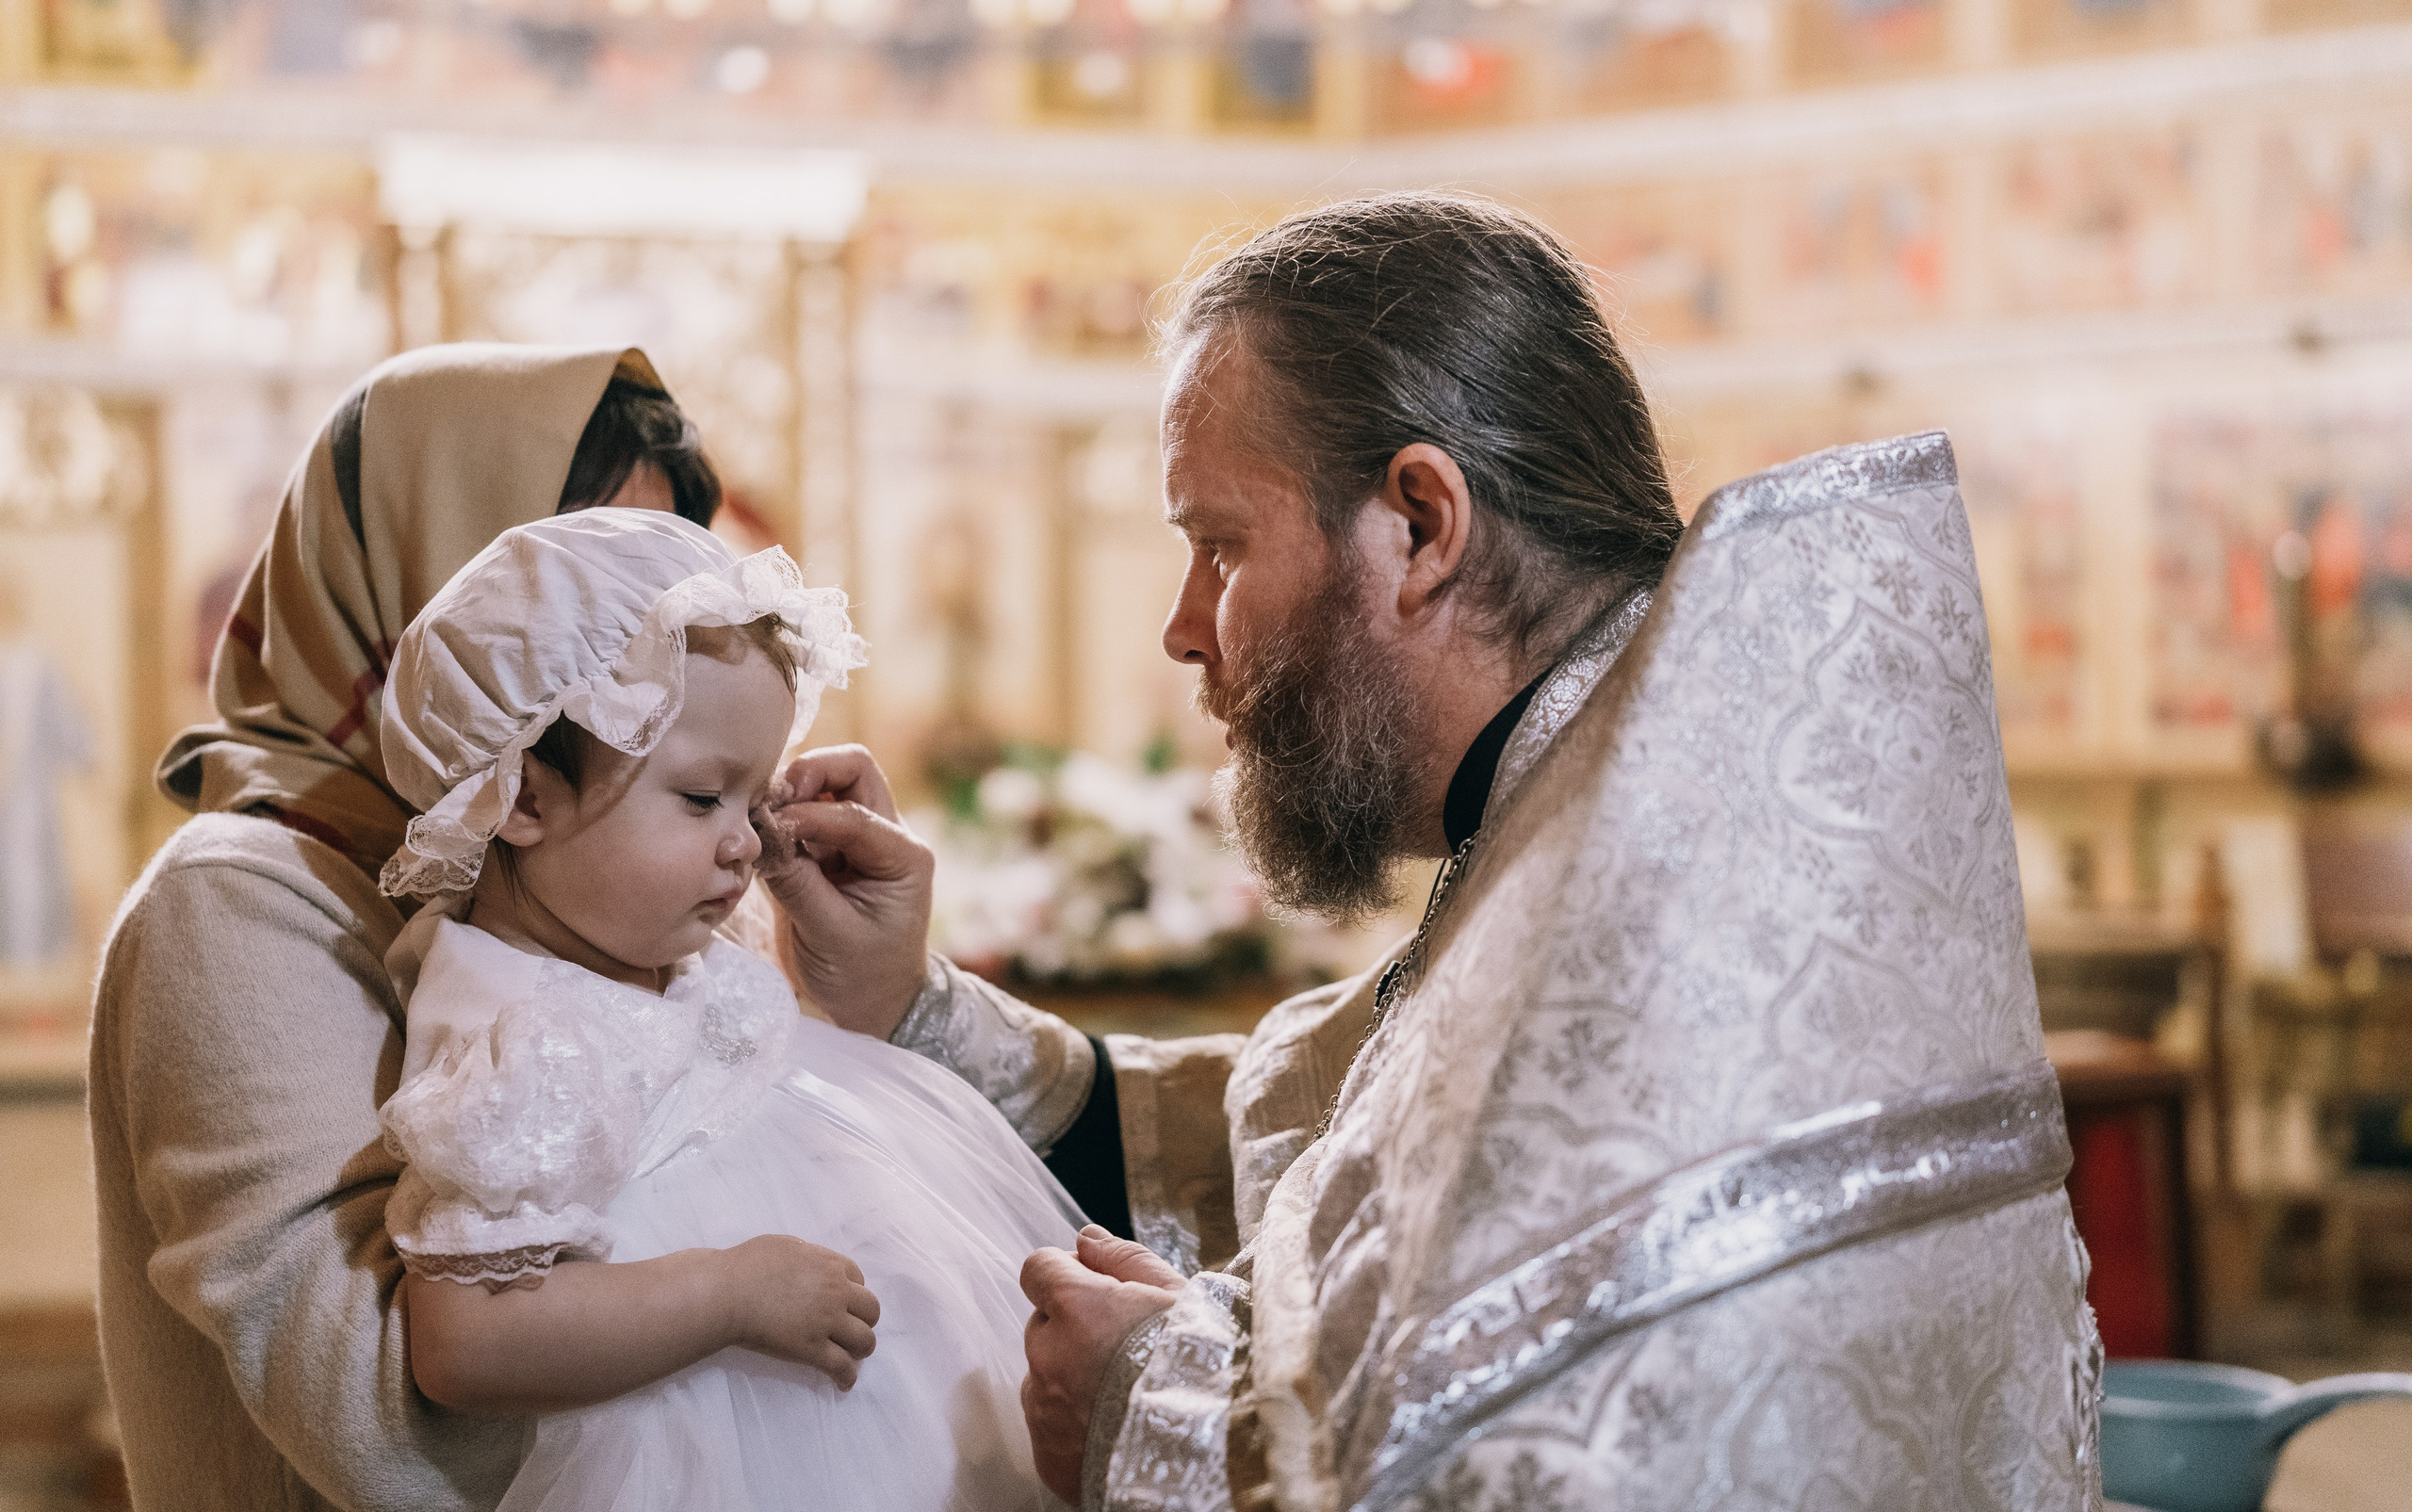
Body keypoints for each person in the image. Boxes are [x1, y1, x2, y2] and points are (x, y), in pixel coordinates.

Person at [758, 194, 2104, 1509]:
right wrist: (916, 1009)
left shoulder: (1654, 892)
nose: (1183, 625)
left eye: (1219, 544)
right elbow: (1331, 1149)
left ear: (1420, 522)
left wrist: (1150, 1411)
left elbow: (1523, 1455)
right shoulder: (1611, 791)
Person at [90, 344, 730, 1512]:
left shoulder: (568, 872)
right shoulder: (235, 900)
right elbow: (395, 1442)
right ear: (422, 573)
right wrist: (734, 1309)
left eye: (659, 602)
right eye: (581, 591)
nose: (636, 671)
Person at [372, 508, 1080, 1511]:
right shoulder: (520, 1038)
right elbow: (465, 1341)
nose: (746, 844)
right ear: (522, 801)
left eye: (754, 803)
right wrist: (728, 1294)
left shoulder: (634, 940)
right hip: (720, 1450)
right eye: (703, 800)